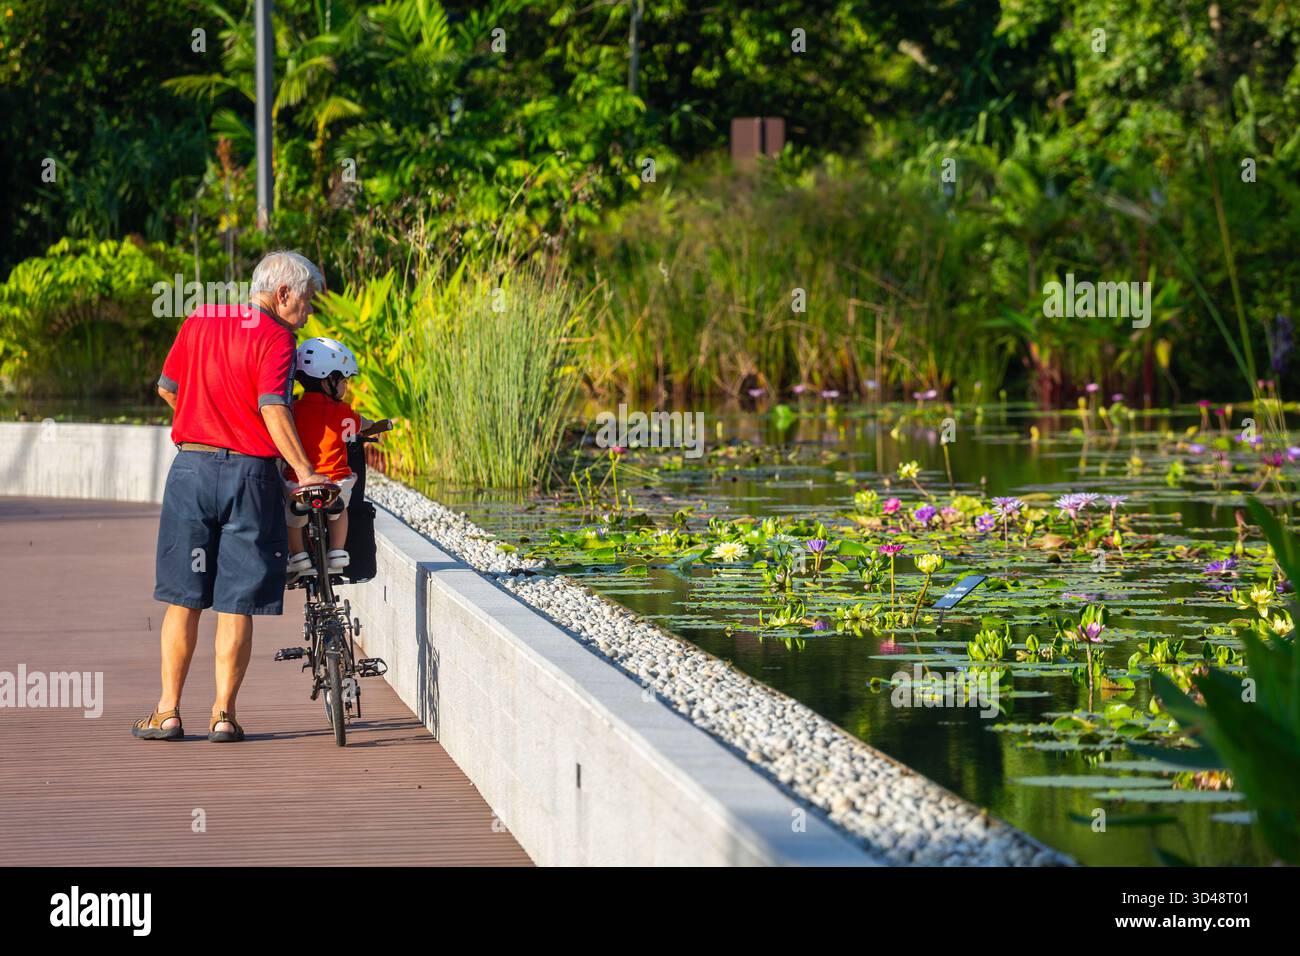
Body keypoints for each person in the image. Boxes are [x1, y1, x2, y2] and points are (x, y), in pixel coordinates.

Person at [134, 250, 330, 744]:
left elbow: (167, 388)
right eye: (306, 302)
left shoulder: (202, 317)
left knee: (183, 598)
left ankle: (168, 712)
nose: (308, 314)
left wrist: (203, 419)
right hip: (251, 478)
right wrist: (305, 471)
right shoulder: (277, 337)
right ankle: (223, 714)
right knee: (236, 602)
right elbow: (273, 407)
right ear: (282, 293)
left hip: (192, 471)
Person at [282, 336, 380, 577]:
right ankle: (337, 551)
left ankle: (298, 556)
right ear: (329, 380)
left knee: (292, 513)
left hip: (299, 483)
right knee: (341, 510)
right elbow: (360, 426)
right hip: (335, 484)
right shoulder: (344, 412)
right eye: (344, 380)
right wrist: (374, 426)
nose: (346, 386)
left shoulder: (291, 410)